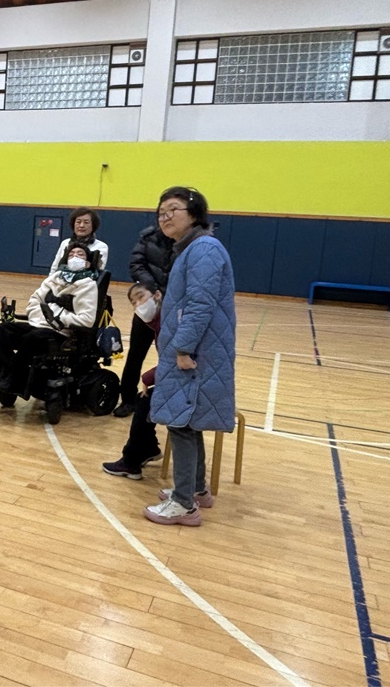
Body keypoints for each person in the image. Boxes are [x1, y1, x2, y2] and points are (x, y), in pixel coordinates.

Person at [145, 187, 236, 527]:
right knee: (189, 419)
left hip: (195, 353)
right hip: (197, 349)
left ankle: (184, 504)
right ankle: (196, 489)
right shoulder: (192, 248)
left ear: (195, 214)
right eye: (161, 212)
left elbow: (200, 305)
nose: (165, 217)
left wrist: (183, 348)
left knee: (180, 423)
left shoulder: (203, 249)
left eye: (173, 209)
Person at [0, 242, 98, 393]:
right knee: (4, 329)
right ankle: (4, 371)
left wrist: (58, 318)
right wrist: (43, 315)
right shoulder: (54, 278)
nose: (75, 257)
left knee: (32, 338)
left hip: (62, 332)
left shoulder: (88, 285)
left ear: (87, 264)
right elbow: (34, 301)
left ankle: (16, 378)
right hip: (39, 323)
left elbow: (87, 319)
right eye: (71, 255)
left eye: (80, 255)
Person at [102, 283, 164, 479]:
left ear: (157, 295)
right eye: (133, 302)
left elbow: (174, 362)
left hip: (192, 382)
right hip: (184, 377)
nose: (138, 305)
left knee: (144, 402)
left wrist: (148, 377)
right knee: (143, 399)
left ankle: (130, 462)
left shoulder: (168, 323)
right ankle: (150, 448)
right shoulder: (158, 322)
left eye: (141, 297)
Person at [114, 223, 174, 416]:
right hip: (148, 300)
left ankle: (168, 398)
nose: (167, 218)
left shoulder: (187, 241)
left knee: (170, 354)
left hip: (172, 306)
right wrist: (150, 289)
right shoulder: (147, 238)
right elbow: (136, 265)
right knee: (135, 355)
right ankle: (127, 400)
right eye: (163, 214)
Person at [48, 207, 108, 274]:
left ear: (93, 225)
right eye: (78, 222)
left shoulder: (101, 246)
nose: (81, 225)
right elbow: (55, 267)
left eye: (86, 222)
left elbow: (98, 271)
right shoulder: (65, 243)